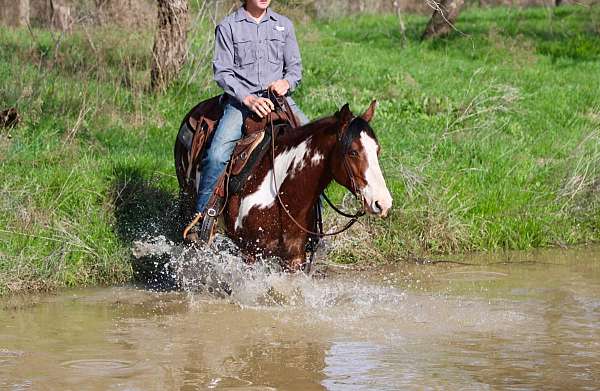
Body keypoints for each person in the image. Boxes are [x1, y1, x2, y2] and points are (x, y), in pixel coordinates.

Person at [183, 0, 309, 239]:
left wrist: (286, 82)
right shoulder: (228, 26)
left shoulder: (284, 25)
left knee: (313, 147)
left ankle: (313, 221)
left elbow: (294, 69)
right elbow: (223, 72)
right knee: (217, 154)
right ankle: (202, 220)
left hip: (280, 101)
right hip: (241, 104)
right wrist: (249, 99)